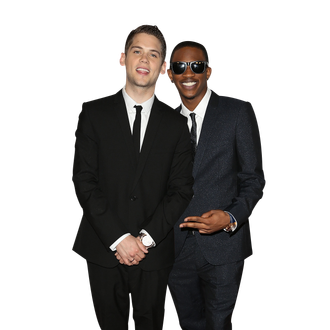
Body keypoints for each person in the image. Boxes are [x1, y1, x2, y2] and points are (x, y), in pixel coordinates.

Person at [72, 25, 194, 330]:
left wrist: (144, 240)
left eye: (154, 54)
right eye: (137, 51)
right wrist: (119, 239)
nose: (145, 59)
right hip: (102, 248)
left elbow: (180, 190)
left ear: (164, 68)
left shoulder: (177, 126)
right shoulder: (93, 113)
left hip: (153, 254)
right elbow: (84, 180)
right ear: (122, 58)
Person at [167, 41, 266, 330]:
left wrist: (231, 216)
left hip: (224, 248)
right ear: (169, 74)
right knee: (188, 324)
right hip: (175, 248)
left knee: (220, 324)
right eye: (180, 67)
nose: (189, 73)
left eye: (196, 66)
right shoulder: (164, 123)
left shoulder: (237, 112)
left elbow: (253, 179)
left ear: (209, 71)